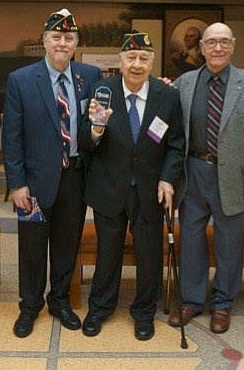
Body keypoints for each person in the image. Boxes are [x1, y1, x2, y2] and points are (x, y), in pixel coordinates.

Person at [79, 30, 185, 341]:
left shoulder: (168, 96)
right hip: (109, 187)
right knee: (108, 252)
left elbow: (176, 144)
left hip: (151, 190)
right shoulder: (101, 90)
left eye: (143, 58)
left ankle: (143, 312)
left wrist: (168, 178)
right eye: (130, 57)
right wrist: (96, 129)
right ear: (120, 61)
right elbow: (86, 140)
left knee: (149, 254)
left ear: (152, 63)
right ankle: (100, 308)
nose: (136, 64)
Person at [3, 9, 102, 338]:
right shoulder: (21, 79)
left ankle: (59, 300)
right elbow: (12, 136)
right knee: (32, 247)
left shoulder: (89, 76)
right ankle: (29, 305)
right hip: (33, 182)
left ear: (76, 43)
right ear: (44, 40)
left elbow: (92, 126)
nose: (62, 43)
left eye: (68, 38)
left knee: (66, 244)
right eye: (56, 37)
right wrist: (16, 183)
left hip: (74, 177)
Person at [168, 22, 244, 334]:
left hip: (233, 178)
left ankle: (223, 304)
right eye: (211, 42)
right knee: (191, 240)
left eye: (224, 42)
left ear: (233, 45)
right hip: (193, 173)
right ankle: (192, 300)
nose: (217, 48)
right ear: (200, 46)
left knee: (229, 244)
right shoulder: (184, 83)